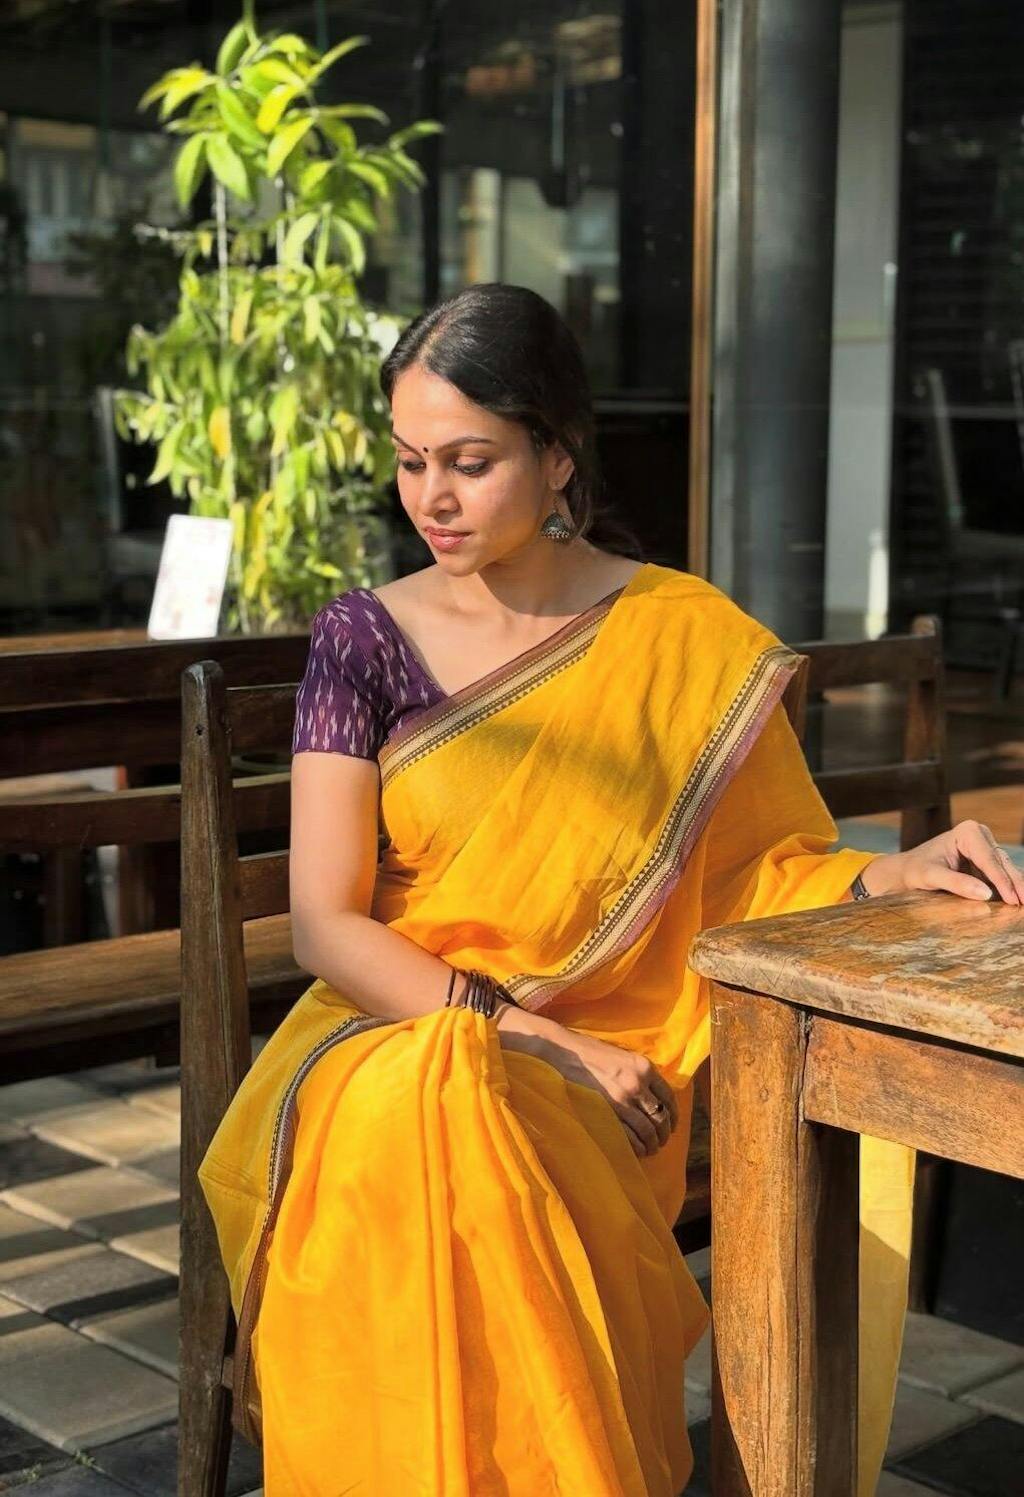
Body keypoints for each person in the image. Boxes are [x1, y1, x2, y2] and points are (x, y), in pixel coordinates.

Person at [198, 283, 1023, 1496]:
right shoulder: (361, 639)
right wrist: (536, 1039)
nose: (430, 497)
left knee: (480, 1134)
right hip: (391, 1020)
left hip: (619, 1035)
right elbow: (326, 924)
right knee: (430, 1123)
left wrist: (888, 871)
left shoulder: (678, 631)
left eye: (469, 462)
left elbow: (751, 870)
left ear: (557, 454)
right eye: (411, 460)